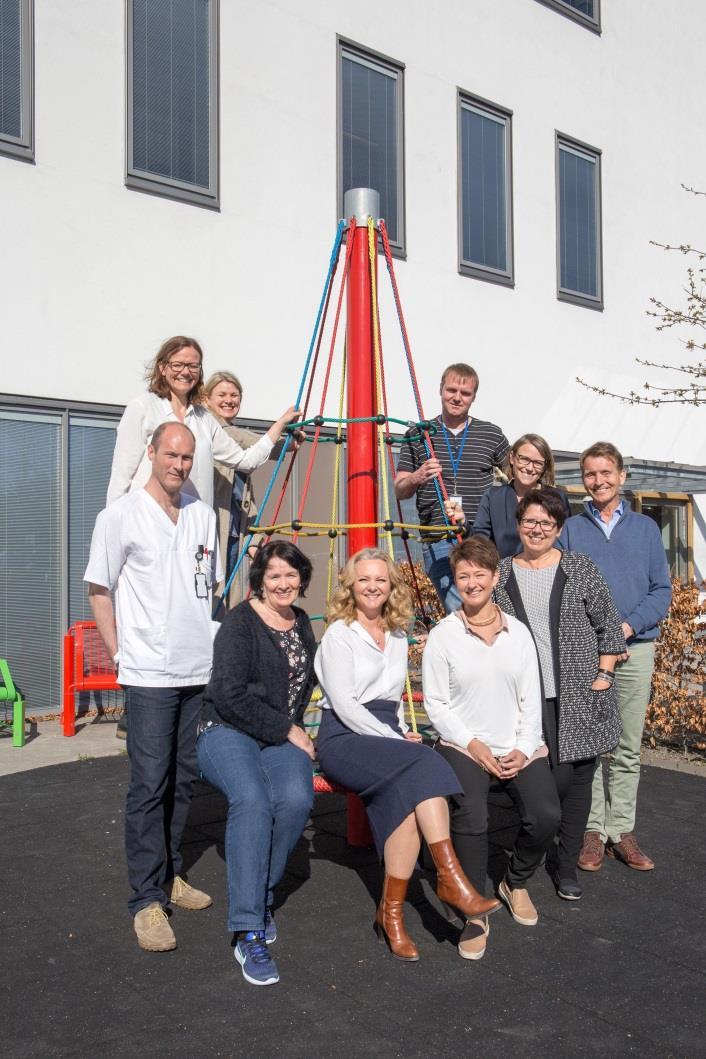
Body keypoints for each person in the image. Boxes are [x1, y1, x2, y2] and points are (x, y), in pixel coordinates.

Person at [315, 548, 500, 964]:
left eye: (381, 579)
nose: (372, 587)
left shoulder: (396, 635)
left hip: (382, 732)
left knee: (410, 789)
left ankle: (391, 914)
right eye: (363, 579)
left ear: (391, 586)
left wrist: (398, 731)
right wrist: (392, 738)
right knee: (425, 763)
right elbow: (345, 706)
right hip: (344, 737)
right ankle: (450, 878)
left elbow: (393, 699)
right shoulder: (339, 635)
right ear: (350, 584)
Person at [85, 422, 220, 952]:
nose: (179, 466)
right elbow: (100, 589)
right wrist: (120, 652)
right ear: (151, 453)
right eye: (171, 455)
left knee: (184, 778)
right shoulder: (118, 516)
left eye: (187, 458)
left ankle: (169, 875)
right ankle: (145, 899)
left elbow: (205, 589)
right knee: (149, 783)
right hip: (146, 674)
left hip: (195, 668)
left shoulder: (202, 515)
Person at [423, 536, 561, 960]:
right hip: (464, 743)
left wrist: (523, 747)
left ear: (495, 578)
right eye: (463, 575)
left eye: (480, 574)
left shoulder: (518, 634)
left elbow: (530, 697)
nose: (471, 582)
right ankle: (474, 910)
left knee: (545, 815)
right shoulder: (444, 636)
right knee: (472, 815)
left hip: (515, 742)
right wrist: (472, 743)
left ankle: (514, 881)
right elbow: (436, 704)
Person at [495, 490, 626, 900]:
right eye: (530, 521)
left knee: (578, 777)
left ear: (559, 528)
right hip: (526, 699)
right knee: (547, 781)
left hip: (578, 691)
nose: (537, 529)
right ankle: (529, 855)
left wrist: (604, 674)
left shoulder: (579, 568)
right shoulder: (500, 574)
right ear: (519, 524)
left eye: (546, 523)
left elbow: (608, 623)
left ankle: (566, 863)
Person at [197, 541, 317, 987]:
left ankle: (261, 891)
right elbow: (228, 693)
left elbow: (310, 682)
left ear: (301, 579)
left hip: (276, 732)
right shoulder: (240, 622)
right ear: (260, 582)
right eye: (274, 576)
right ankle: (248, 928)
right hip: (226, 728)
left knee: (295, 800)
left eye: (291, 575)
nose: (284, 583)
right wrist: (288, 730)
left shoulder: (301, 622)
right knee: (251, 800)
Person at [559, 442, 672, 873]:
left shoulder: (644, 529)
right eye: (590, 474)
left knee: (627, 747)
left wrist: (624, 628)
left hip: (636, 647)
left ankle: (620, 830)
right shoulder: (571, 529)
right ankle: (591, 830)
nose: (599, 481)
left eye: (606, 472)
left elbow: (661, 590)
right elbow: (565, 590)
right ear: (583, 479)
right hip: (587, 652)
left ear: (622, 476)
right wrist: (597, 634)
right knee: (588, 744)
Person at [107, 335, 300, 508]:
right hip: (149, 523)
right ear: (162, 368)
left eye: (193, 366)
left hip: (194, 530)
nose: (185, 372)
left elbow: (245, 461)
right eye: (177, 365)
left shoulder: (203, 419)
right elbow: (121, 475)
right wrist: (111, 527)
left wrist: (279, 425)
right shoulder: (143, 407)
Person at [394, 362, 509, 613]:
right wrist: (418, 476)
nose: (457, 398)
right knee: (456, 606)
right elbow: (399, 489)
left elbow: (515, 479)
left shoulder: (491, 435)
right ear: (441, 390)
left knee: (480, 604)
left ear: (473, 398)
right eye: (451, 390)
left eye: (465, 393)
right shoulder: (419, 433)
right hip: (438, 537)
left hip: (479, 536)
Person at [204, 370, 303, 607]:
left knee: (234, 595)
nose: (229, 400)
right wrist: (282, 433)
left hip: (236, 530)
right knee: (215, 593)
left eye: (235, 395)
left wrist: (254, 537)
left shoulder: (233, 434)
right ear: (206, 399)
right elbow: (249, 441)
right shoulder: (211, 428)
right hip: (215, 529)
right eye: (222, 394)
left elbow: (243, 496)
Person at [471, 433, 571, 558]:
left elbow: (566, 541)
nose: (529, 468)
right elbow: (481, 542)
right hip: (505, 572)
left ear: (545, 466)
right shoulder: (493, 497)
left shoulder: (558, 498)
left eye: (537, 463)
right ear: (512, 458)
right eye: (524, 459)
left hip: (549, 571)